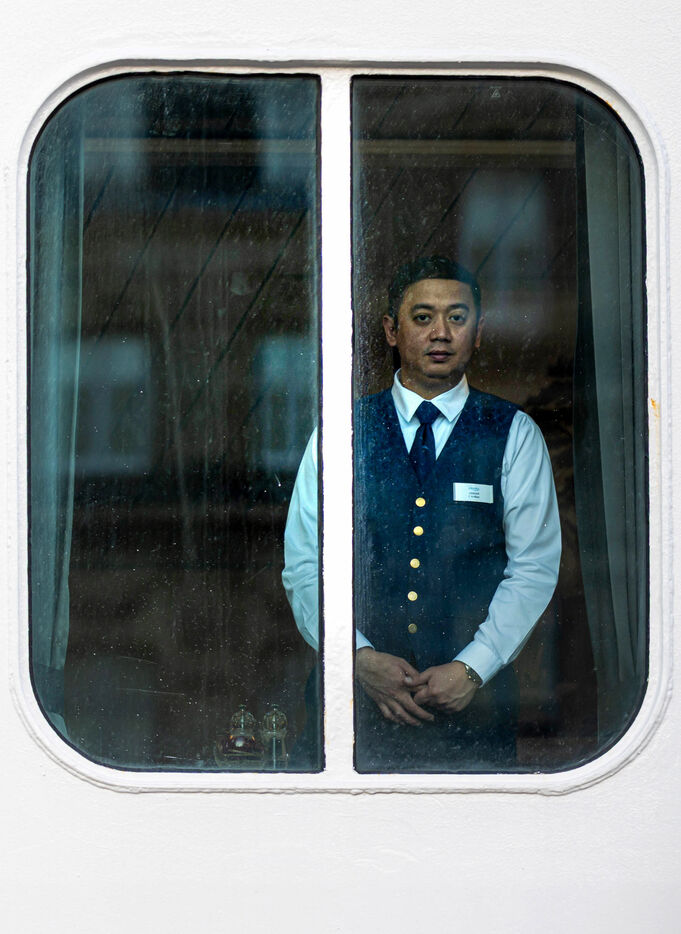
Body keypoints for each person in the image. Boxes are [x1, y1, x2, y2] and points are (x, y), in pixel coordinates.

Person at [283, 256, 561, 772]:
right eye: (422, 317)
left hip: (475, 718)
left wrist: (472, 669)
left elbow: (533, 568)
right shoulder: (341, 431)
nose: (441, 333)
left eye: (457, 317)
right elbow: (305, 565)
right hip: (352, 713)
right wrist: (356, 658)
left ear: (478, 332)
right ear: (392, 330)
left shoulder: (514, 433)